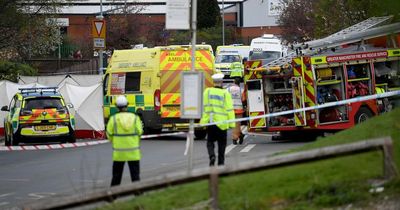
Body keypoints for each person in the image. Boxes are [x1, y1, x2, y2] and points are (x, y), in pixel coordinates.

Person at [106, 95, 143, 186]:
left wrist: (114, 141)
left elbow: (109, 134)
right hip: (133, 152)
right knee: (135, 177)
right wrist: (135, 141)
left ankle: (113, 196)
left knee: (116, 177)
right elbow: (140, 132)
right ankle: (138, 194)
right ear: (127, 105)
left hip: (119, 153)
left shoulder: (113, 119)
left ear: (117, 106)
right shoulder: (135, 118)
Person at [200, 73, 235, 166]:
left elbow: (204, 108)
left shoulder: (207, 92)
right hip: (222, 124)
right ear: (222, 82)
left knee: (210, 142)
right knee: (222, 144)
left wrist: (203, 122)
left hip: (211, 123)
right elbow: (229, 109)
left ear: (213, 82)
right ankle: (221, 163)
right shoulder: (225, 93)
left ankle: (212, 156)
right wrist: (232, 124)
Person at [226, 77, 245, 145]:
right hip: (239, 109)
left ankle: (235, 138)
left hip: (230, 110)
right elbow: (243, 100)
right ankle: (238, 136)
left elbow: (225, 98)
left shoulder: (228, 89)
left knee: (235, 125)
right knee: (237, 124)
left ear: (233, 82)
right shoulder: (241, 90)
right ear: (239, 83)